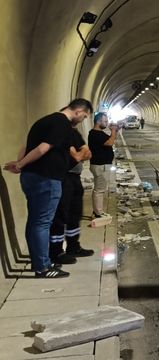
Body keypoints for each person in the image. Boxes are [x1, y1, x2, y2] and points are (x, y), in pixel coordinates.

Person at [3, 98, 93, 278]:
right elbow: (42, 148)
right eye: (84, 116)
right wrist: (20, 164)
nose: (82, 120)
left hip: (34, 177)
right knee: (42, 223)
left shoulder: (45, 121)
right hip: (46, 179)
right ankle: (43, 267)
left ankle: (38, 262)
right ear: (78, 111)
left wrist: (22, 163)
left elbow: (28, 146)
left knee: (35, 221)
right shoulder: (62, 124)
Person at [49, 122, 93, 265]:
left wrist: (80, 153)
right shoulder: (61, 135)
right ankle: (56, 251)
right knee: (61, 214)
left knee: (75, 213)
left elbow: (88, 154)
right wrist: (80, 153)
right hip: (64, 177)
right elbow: (76, 156)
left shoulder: (75, 134)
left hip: (75, 178)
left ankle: (73, 246)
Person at [88, 113, 118, 218]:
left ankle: (98, 211)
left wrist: (114, 131)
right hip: (100, 166)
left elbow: (111, 139)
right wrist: (113, 130)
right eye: (105, 121)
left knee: (100, 189)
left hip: (101, 165)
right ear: (98, 121)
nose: (107, 123)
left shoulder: (99, 133)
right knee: (99, 190)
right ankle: (98, 213)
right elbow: (109, 143)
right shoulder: (95, 134)